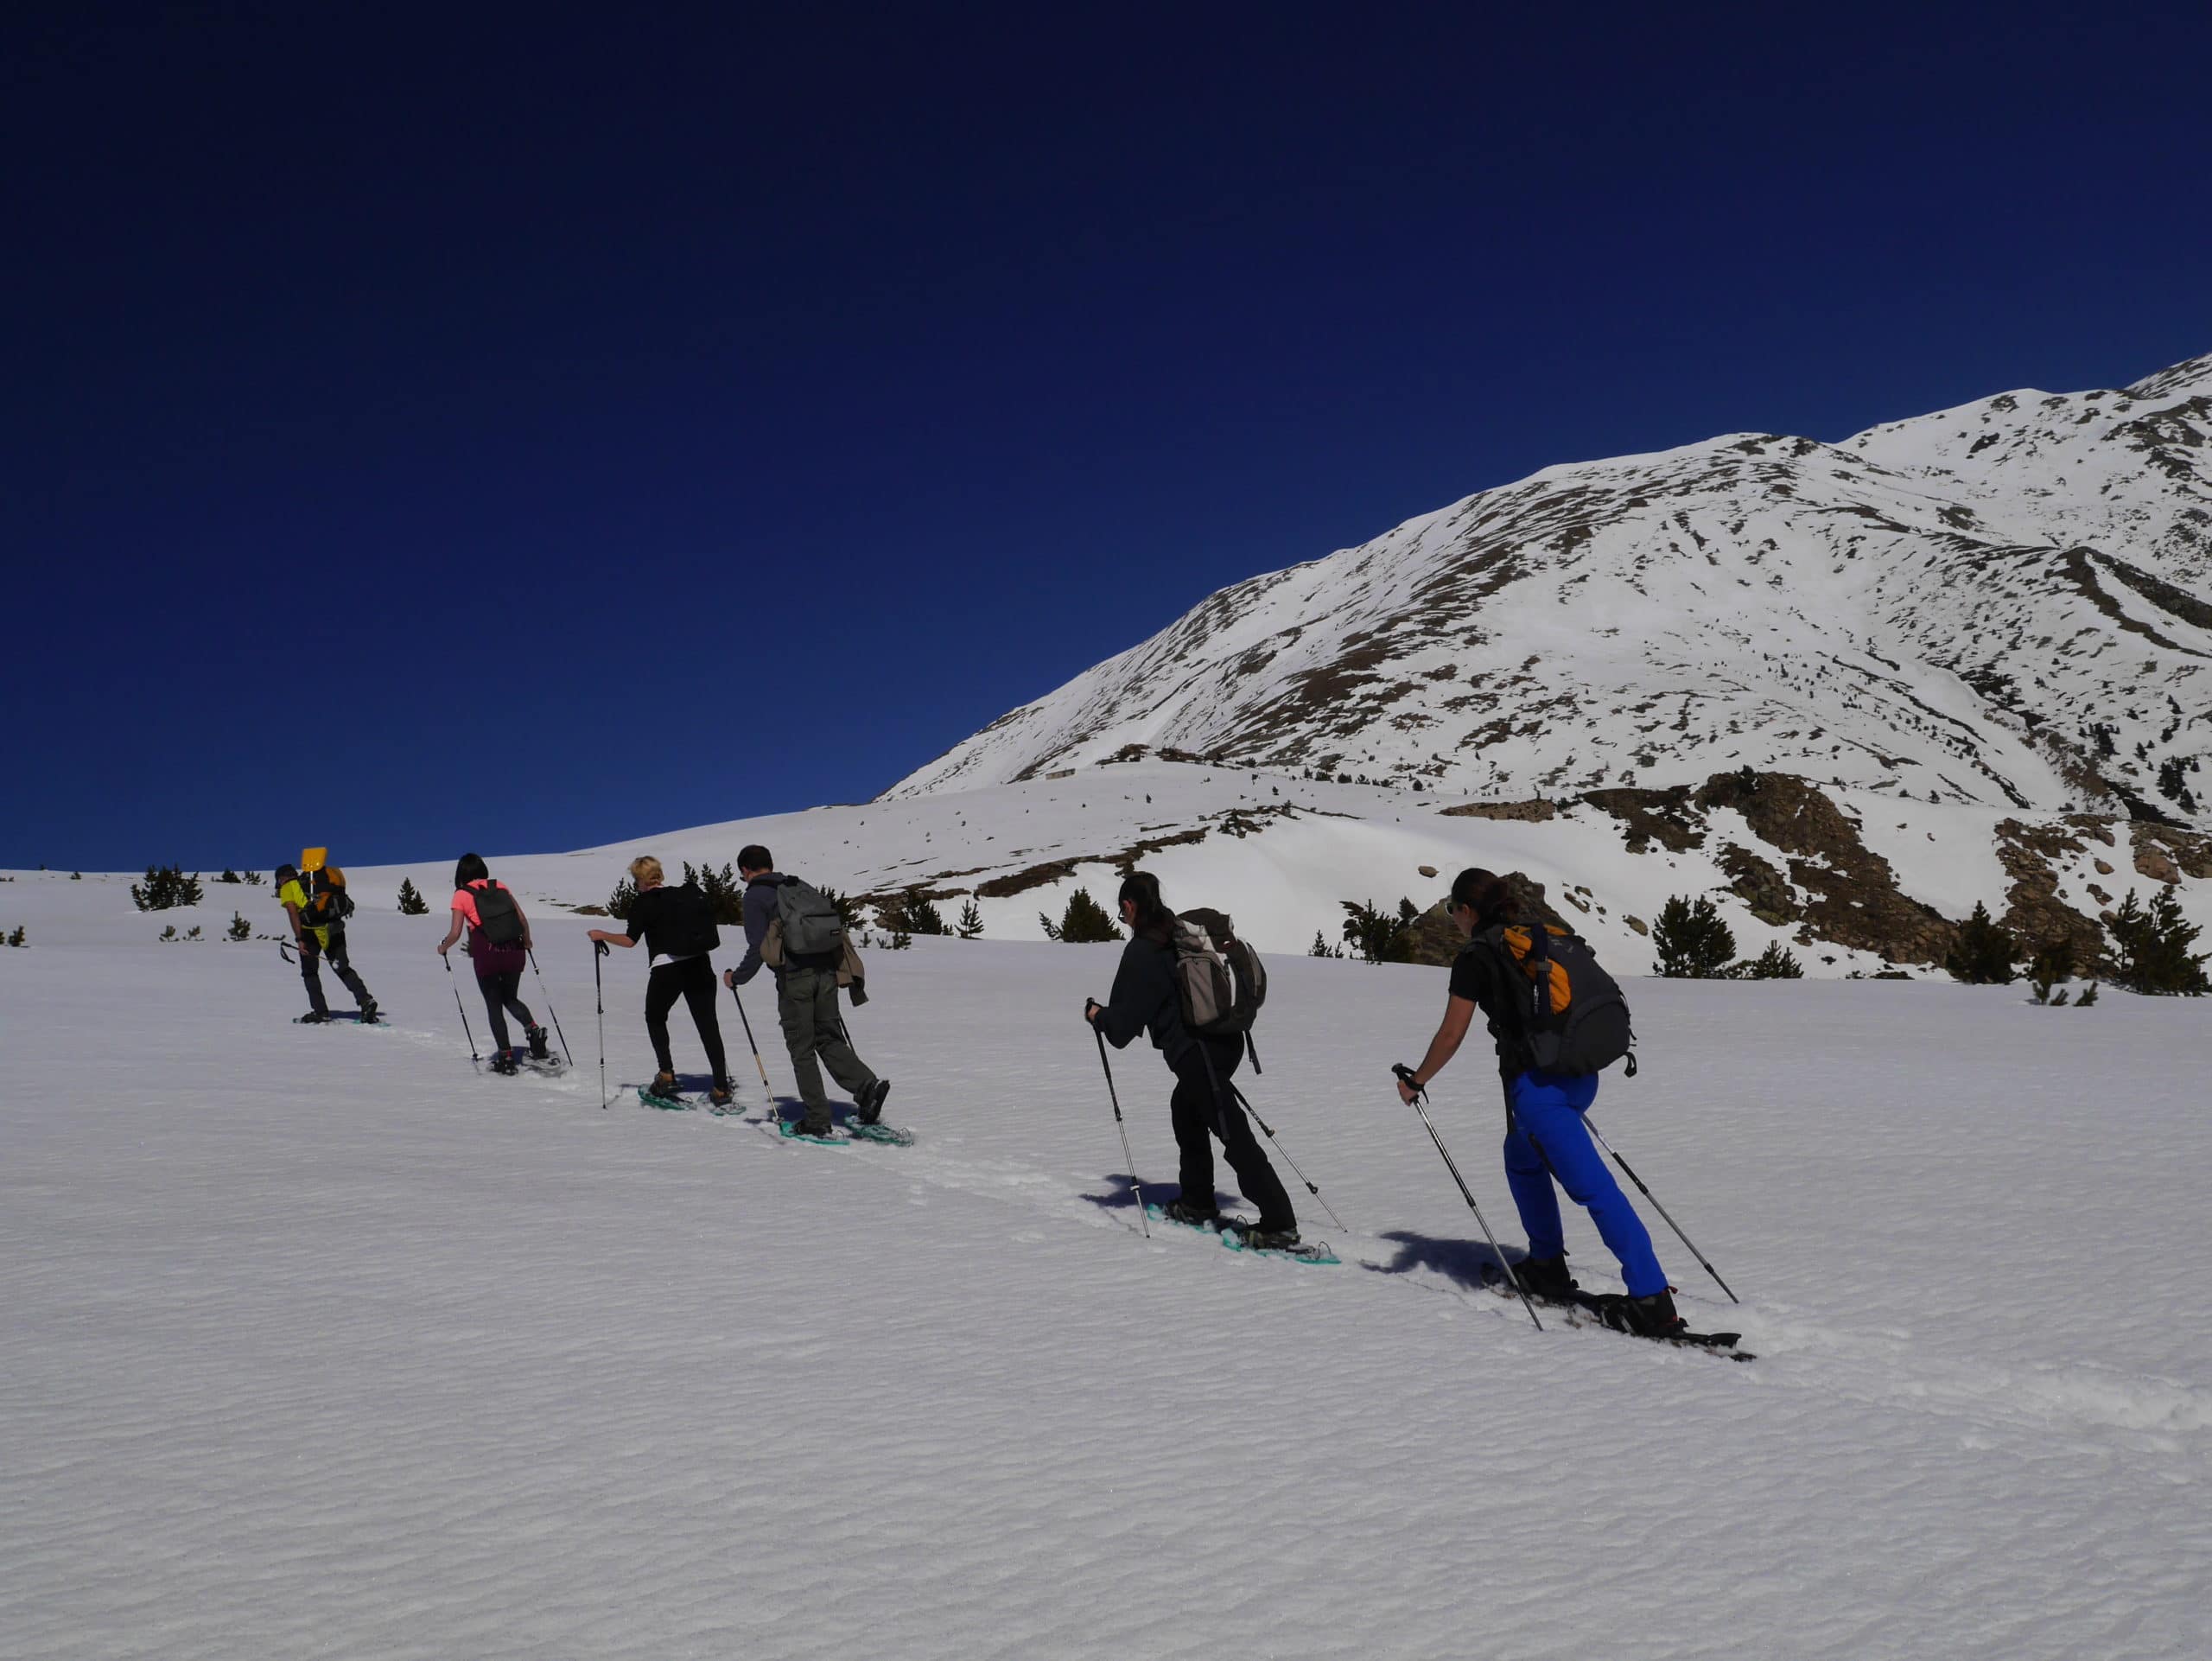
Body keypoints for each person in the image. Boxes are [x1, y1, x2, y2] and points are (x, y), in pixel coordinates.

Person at [1396, 867, 1681, 1336]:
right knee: (1521, 1158)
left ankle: (1651, 1298)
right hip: (1579, 1075)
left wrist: (1417, 1080)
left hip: (1539, 1090)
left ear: (1468, 910)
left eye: (1453, 911)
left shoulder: (1478, 955)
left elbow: (1452, 1034)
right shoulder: (1533, 938)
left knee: (1593, 1189)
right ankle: (1547, 1263)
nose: (1452, 920)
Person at [1084, 870, 1297, 1248]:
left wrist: (1097, 1015)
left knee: (1231, 1130)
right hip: (1227, 1042)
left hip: (1196, 1052)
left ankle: (1279, 1221)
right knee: (1186, 1107)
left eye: (1123, 913)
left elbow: (1121, 1029)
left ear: (1129, 907)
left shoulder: (1143, 950)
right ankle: (1197, 1200)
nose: (1124, 919)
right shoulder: (1179, 932)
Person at [727, 844, 887, 1138]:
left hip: (794, 979)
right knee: (828, 1038)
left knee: (802, 1049)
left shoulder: (755, 896)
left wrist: (736, 978)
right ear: (771, 863)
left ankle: (817, 1121)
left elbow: (757, 948)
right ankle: (867, 1087)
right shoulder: (798, 885)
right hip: (827, 973)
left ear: (746, 870)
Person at [586, 856, 733, 1109]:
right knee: (708, 1025)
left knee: (655, 1017)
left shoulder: (643, 902)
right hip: (700, 965)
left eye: (635, 879)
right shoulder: (684, 895)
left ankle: (666, 1075)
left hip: (667, 968)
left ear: (641, 879)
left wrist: (602, 936)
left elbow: (631, 941)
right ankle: (721, 1089)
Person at [436, 853, 548, 1075]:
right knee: (511, 997)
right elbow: (522, 919)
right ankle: (533, 1029)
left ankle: (506, 1056)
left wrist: (443, 947)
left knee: (494, 1004)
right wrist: (526, 941)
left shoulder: (461, 895)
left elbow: (456, 932)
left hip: (487, 952)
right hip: (514, 950)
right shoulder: (499, 886)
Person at [276, 852, 377, 1023]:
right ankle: (366, 1000)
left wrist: (300, 939)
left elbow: (293, 913)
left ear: (281, 879)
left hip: (310, 933)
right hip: (333, 928)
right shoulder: (312, 884)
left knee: (310, 973)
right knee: (342, 967)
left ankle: (320, 1012)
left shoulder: (289, 888)